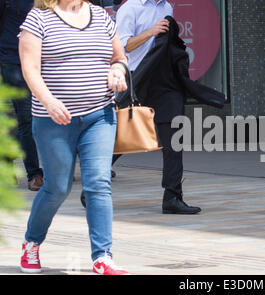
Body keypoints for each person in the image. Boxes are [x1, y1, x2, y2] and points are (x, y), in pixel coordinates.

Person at [18, 0, 129, 274]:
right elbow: (29, 68)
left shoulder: (101, 17)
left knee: (98, 184)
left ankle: (102, 256)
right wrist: (48, 102)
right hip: (54, 120)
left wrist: (117, 71)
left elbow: (119, 57)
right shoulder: (38, 18)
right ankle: (32, 242)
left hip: (99, 115)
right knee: (57, 187)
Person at [115, 0, 202, 215]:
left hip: (164, 80)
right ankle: (93, 186)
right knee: (124, 137)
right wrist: (151, 32)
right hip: (138, 78)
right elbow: (122, 46)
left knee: (174, 137)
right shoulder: (130, 8)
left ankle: (172, 196)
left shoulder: (167, 8)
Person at [0, 0, 43, 191]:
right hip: (13, 62)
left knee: (27, 118)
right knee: (24, 118)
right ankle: (33, 173)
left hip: (43, 61)